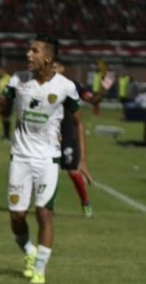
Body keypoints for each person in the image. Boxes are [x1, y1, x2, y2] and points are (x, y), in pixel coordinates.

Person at [0, 35, 83, 284]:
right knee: (17, 216)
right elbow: (4, 102)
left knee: (44, 213)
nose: (28, 55)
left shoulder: (65, 86)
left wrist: (81, 159)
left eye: (34, 51)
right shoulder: (18, 80)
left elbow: (78, 121)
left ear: (48, 58)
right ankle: (30, 251)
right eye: (28, 51)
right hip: (20, 157)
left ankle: (40, 267)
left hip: (48, 159)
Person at [53, 61, 114, 218]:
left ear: (62, 68)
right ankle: (46, 205)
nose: (53, 69)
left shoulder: (72, 85)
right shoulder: (41, 85)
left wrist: (104, 87)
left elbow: (93, 99)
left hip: (66, 131)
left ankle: (85, 202)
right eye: (51, 67)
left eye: (56, 66)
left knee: (73, 172)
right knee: (47, 171)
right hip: (47, 134)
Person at [0, 66, 11, 140]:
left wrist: (5, 96)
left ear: (4, 71)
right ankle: (5, 134)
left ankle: (7, 135)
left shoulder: (9, 78)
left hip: (8, 100)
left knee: (6, 117)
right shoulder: (0, 79)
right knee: (2, 117)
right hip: (1, 100)